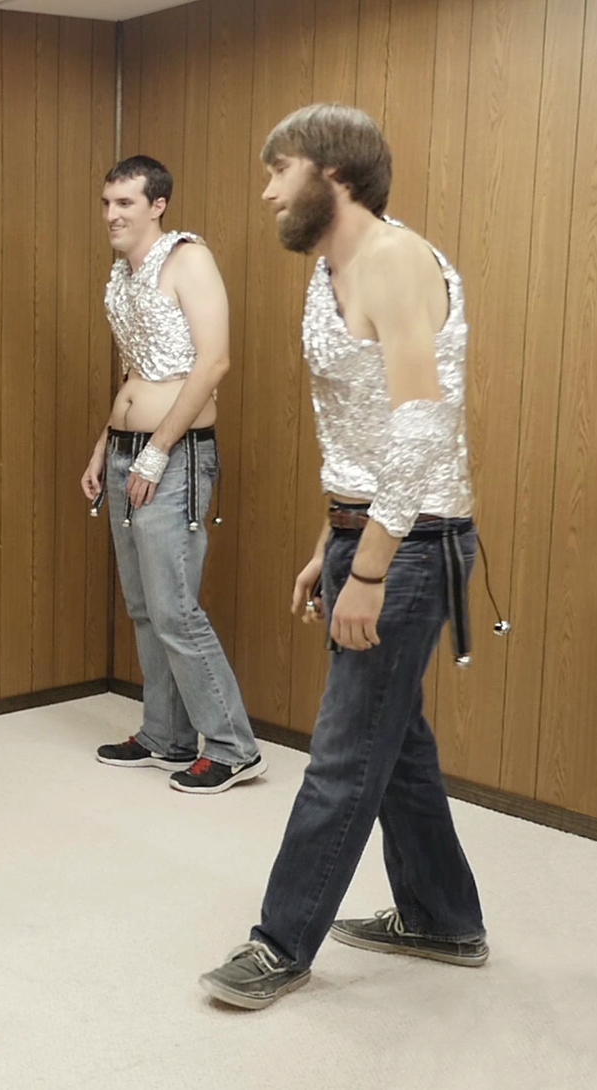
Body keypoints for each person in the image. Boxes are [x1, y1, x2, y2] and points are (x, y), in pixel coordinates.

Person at [200, 104, 487, 1009]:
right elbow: (358, 430)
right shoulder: (330, 269)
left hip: (410, 542)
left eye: (278, 169)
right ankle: (444, 918)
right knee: (392, 739)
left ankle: (280, 944)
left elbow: (421, 422)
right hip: (367, 529)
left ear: (335, 174)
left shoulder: (394, 259)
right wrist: (329, 545)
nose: (266, 190)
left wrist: (368, 568)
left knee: (341, 751)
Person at [82, 156, 266, 794]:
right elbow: (137, 372)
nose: (112, 215)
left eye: (125, 203)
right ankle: (165, 733)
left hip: (176, 454)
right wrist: (106, 444)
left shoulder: (188, 258)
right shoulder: (123, 273)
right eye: (107, 202)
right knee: (142, 606)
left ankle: (233, 746)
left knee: (175, 608)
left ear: (157, 205)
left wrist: (158, 449)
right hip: (128, 448)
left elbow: (212, 363)